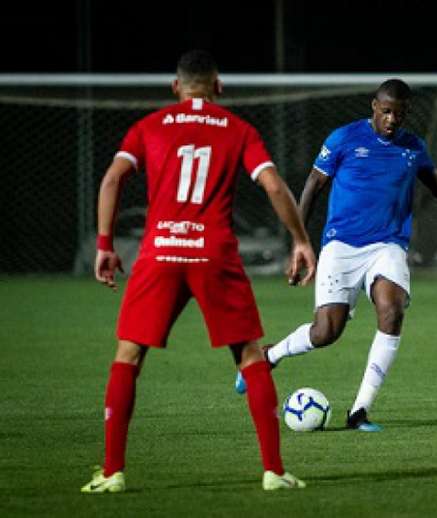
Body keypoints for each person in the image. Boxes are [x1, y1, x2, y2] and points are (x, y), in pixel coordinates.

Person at [81, 50, 316, 493]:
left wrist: (106, 246)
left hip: (160, 252)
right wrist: (301, 241)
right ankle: (273, 471)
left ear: (176, 87)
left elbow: (112, 179)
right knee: (250, 355)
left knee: (127, 356)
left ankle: (112, 473)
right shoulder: (239, 130)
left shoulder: (148, 126)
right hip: (214, 253)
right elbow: (272, 184)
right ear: (219, 86)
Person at [237, 79, 437, 431]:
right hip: (341, 245)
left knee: (391, 308)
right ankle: (269, 356)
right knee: (326, 332)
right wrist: (300, 241)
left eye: (398, 114)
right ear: (374, 106)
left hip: (387, 245)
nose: (391, 120)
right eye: (385, 112)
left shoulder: (413, 147)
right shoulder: (343, 139)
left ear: (406, 113)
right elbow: (312, 186)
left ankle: (359, 411)